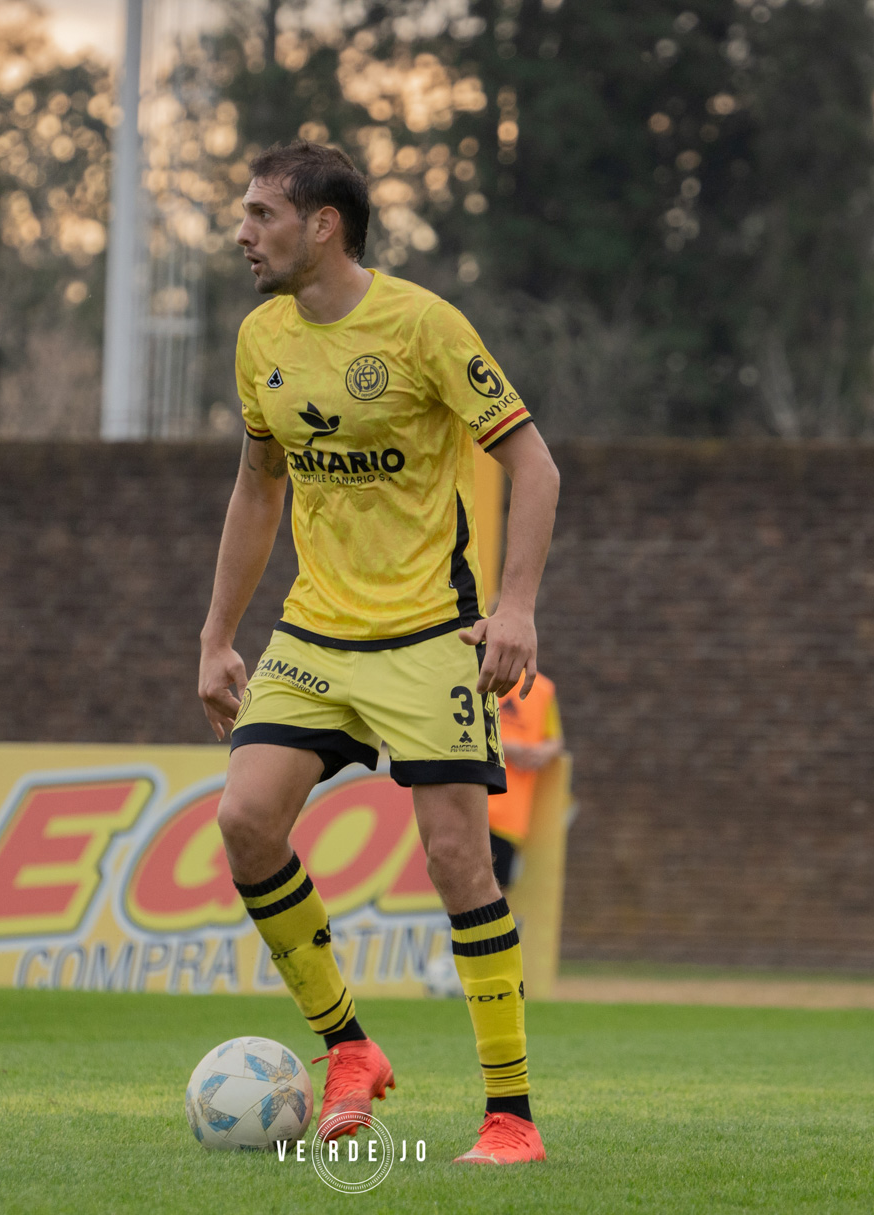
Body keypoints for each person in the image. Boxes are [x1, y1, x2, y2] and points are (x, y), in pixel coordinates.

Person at [196, 140, 559, 1167]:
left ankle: (511, 1120)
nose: (242, 232)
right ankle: (349, 1050)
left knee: (456, 861)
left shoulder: (422, 326)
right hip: (315, 633)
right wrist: (218, 636)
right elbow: (259, 486)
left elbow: (535, 465)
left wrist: (517, 606)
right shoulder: (261, 338)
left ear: (325, 225)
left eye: (263, 213)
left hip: (426, 635)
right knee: (244, 820)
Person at [487, 675, 565, 891]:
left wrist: (541, 753)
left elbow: (555, 741)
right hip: (475, 806)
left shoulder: (543, 689)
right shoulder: (484, 675)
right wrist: (507, 748)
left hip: (509, 814)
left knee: (497, 889)